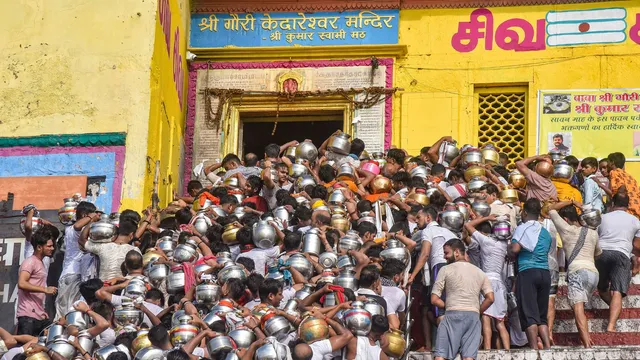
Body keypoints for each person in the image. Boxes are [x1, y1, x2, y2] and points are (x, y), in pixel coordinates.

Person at [548, 201, 601, 348]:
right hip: (593, 274)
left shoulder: (567, 230)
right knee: (581, 308)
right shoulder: (593, 232)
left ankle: (587, 345)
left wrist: (570, 201)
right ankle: (586, 339)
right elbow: (598, 253)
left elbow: (550, 209)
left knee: (578, 310)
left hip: (577, 271)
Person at [431, 239, 494, 360]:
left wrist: (448, 305)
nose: (444, 257)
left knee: (440, 356)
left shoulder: (445, 270)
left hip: (451, 315)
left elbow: (434, 299)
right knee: (469, 357)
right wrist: (478, 310)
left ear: (456, 252)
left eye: (446, 253)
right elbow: (490, 298)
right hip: (473, 317)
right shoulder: (480, 272)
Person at [508, 199, 552, 350]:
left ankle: (533, 350)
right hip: (545, 273)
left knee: (529, 314)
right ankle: (547, 348)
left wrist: (508, 251)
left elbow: (515, 249)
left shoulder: (523, 227)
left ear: (525, 212)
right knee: (541, 316)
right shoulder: (546, 232)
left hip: (528, 271)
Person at [464, 215, 510, 350]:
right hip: (500, 283)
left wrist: (487, 217)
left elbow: (468, 226)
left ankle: (487, 350)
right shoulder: (504, 244)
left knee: (486, 318)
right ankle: (507, 351)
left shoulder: (486, 241)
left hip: (486, 282)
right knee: (500, 322)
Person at [596, 193, 640, 332]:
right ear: (628, 205)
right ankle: (611, 325)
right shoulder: (635, 220)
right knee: (617, 292)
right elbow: (637, 245)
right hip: (621, 254)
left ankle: (614, 308)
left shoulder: (602, 218)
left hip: (601, 253)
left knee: (602, 289)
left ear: (612, 203)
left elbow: (594, 238)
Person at [56, 201, 99, 320]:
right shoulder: (75, 229)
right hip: (73, 276)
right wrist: (92, 218)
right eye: (92, 214)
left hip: (76, 276)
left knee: (75, 314)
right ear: (85, 215)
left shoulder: (73, 229)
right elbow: (77, 226)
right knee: (67, 313)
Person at [16, 226, 59, 336]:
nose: (52, 248)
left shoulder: (40, 263)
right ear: (39, 247)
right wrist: (45, 289)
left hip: (39, 315)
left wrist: (42, 311)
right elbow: (21, 283)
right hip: (28, 316)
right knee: (25, 350)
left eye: (52, 246)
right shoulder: (30, 262)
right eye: (49, 246)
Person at [607, 152, 640, 218]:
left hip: (628, 209)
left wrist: (599, 184)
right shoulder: (629, 176)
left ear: (612, 162)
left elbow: (621, 188)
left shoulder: (614, 172)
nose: (607, 164)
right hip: (637, 208)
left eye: (608, 162)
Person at [380, 259, 407, 330]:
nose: (403, 277)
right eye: (402, 274)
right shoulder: (400, 293)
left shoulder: (373, 285)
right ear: (396, 277)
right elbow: (401, 317)